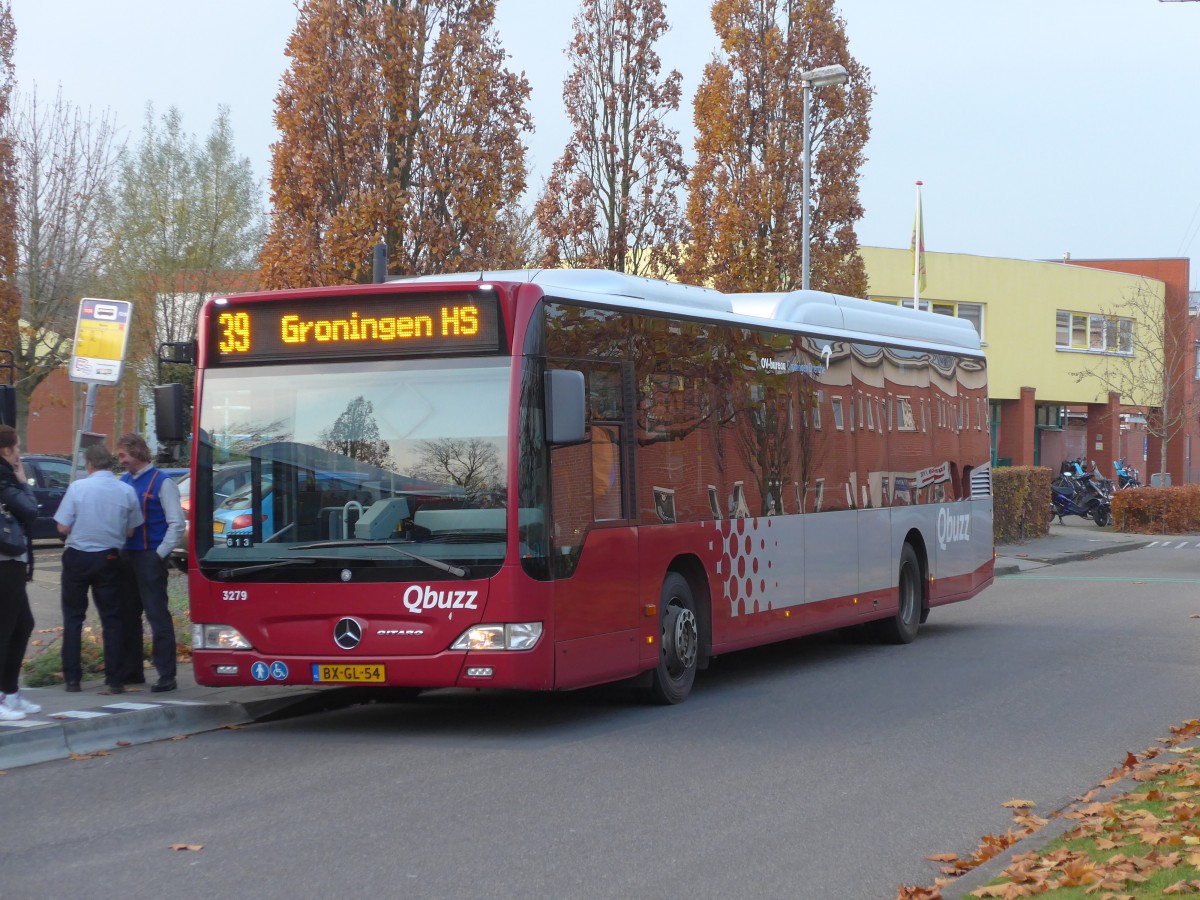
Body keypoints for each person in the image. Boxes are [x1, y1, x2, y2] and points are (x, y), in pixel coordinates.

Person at [55, 443, 143, 694]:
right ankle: (115, 679)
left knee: (73, 618)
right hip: (109, 559)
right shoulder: (126, 491)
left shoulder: (77, 488)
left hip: (77, 557)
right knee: (112, 619)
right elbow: (131, 530)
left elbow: (61, 527)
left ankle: (72, 679)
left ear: (89, 464)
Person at [115, 433, 184, 693]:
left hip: (148, 555)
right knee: (129, 615)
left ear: (137, 454)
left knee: (157, 615)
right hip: (127, 555)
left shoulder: (162, 482)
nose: (120, 460)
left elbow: (176, 523)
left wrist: (159, 554)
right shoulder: (124, 481)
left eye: (123, 455)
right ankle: (133, 671)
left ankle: (167, 675)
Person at [0, 425, 41, 721]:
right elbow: (29, 510)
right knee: (6, 627)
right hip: (5, 561)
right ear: (6, 450)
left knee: (22, 623)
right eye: (17, 446)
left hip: (11, 560)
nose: (20, 452)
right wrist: (23, 480)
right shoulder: (5, 480)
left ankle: (10, 692)